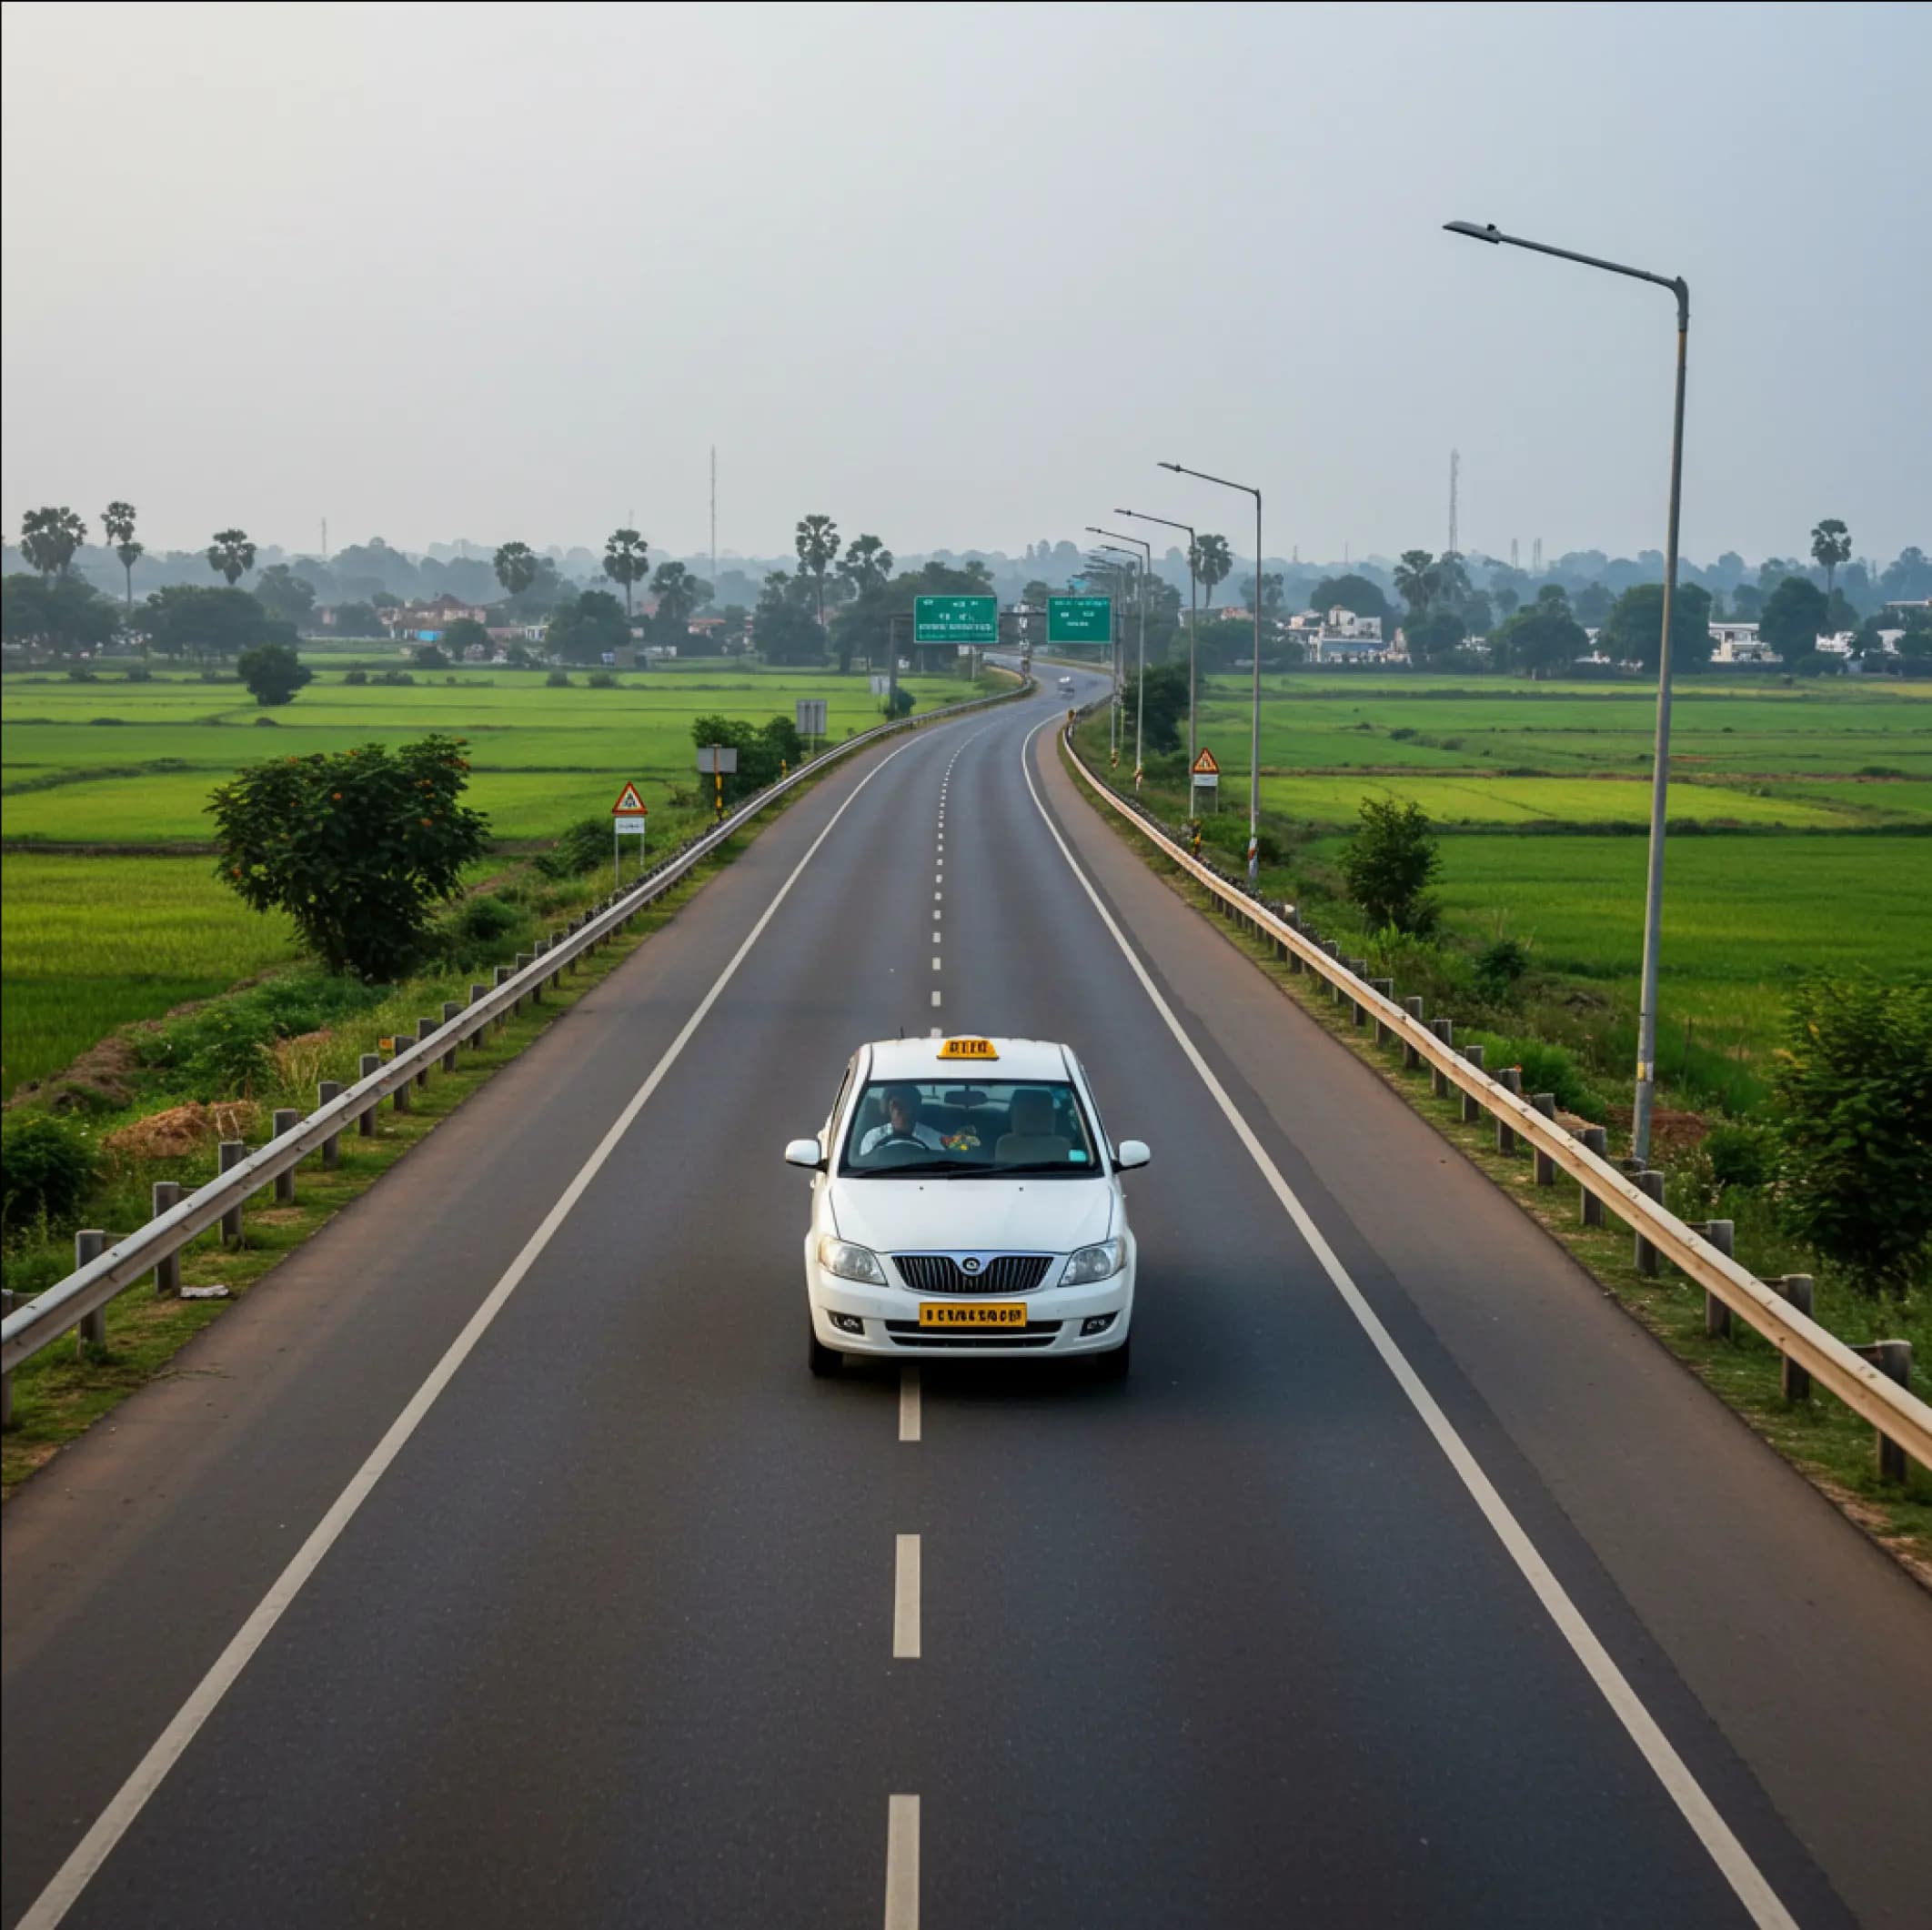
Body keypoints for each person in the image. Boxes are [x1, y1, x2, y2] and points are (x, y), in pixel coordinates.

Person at [859, 1083, 946, 1156]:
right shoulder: (873, 1138)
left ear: (916, 1109)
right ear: (886, 1109)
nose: (902, 1110)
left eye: (908, 1104)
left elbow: (952, 1152)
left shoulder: (934, 1138)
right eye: (896, 1105)